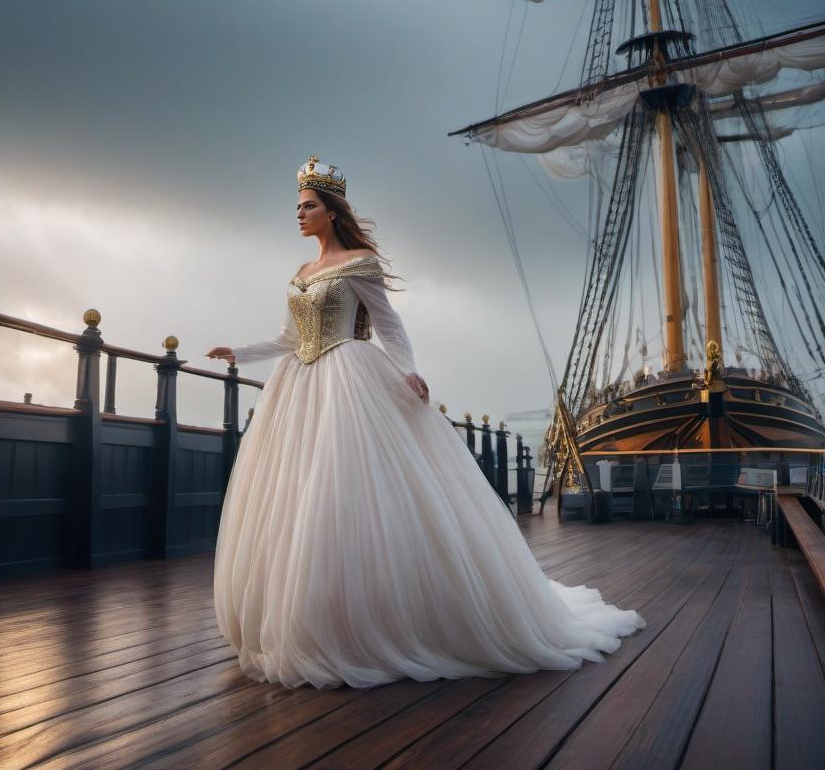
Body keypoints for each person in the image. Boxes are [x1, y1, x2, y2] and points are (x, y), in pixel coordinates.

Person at [205, 156, 645, 690]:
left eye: (309, 206)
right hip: (299, 383)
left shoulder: (359, 262)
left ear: (331, 212)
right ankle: (314, 614)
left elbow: (389, 325)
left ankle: (373, 620)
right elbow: (290, 337)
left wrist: (408, 371)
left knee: (348, 488)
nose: (299, 213)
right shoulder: (300, 274)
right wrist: (240, 353)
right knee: (301, 495)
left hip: (350, 371)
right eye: (296, 205)